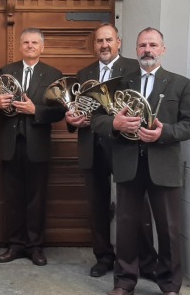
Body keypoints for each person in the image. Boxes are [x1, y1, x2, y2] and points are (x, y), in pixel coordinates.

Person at [91, 27, 190, 295]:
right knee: (127, 226)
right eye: (142, 45)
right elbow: (97, 120)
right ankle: (124, 282)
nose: (147, 50)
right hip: (128, 162)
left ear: (163, 49)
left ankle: (170, 287)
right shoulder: (120, 82)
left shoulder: (181, 84)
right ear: (135, 50)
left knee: (169, 228)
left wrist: (164, 133)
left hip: (163, 164)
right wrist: (114, 124)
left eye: (153, 45)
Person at [66, 23, 161, 278]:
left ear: (119, 42)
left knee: (135, 206)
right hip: (92, 147)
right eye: (99, 41)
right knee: (96, 206)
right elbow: (78, 108)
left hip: (125, 146)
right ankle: (104, 257)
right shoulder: (84, 72)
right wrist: (71, 119)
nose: (104, 45)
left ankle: (146, 260)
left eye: (109, 40)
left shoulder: (134, 68)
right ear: (94, 45)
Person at [0, 28, 65, 266]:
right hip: (11, 145)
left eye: (34, 42)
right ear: (20, 47)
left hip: (37, 146)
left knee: (36, 198)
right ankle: (15, 245)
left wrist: (36, 111)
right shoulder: (6, 71)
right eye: (26, 42)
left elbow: (61, 111)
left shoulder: (53, 74)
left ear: (42, 47)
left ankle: (35, 246)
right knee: (13, 198)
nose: (30, 46)